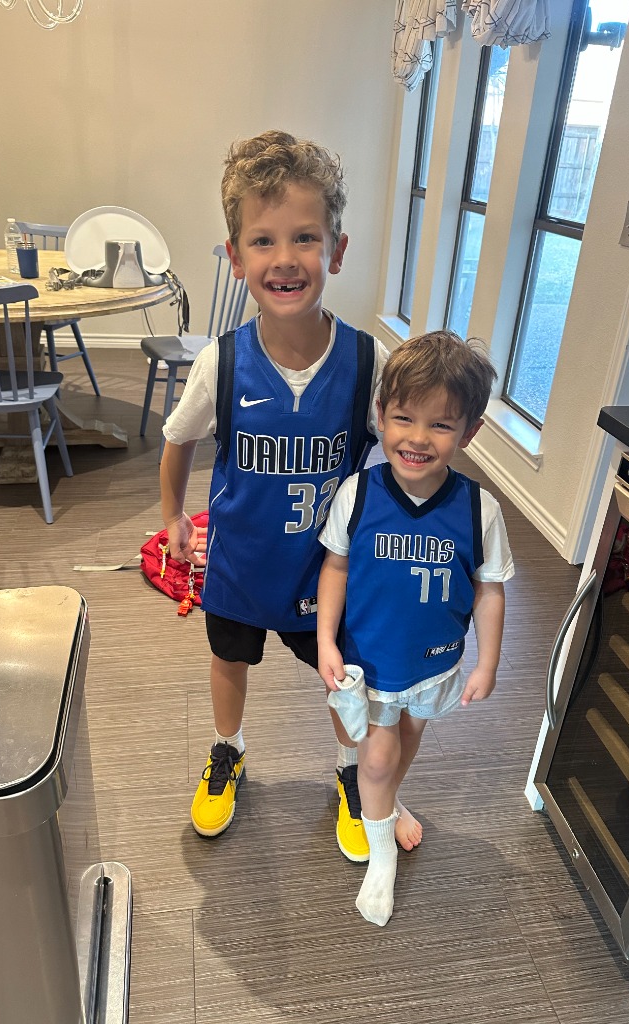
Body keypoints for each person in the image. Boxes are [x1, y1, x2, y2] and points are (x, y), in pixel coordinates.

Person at [159, 129, 390, 855]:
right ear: (236, 257)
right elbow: (178, 439)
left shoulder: (366, 360)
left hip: (324, 570)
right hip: (239, 563)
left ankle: (352, 771)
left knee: (341, 674)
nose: (285, 259)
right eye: (262, 241)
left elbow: (402, 445)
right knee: (229, 660)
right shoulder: (222, 364)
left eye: (305, 238)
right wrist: (172, 515)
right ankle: (228, 749)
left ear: (337, 251)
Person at [317, 330, 515, 926]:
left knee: (409, 738)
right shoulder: (359, 494)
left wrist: (487, 662)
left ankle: (388, 802)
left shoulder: (480, 510)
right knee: (375, 758)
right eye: (404, 418)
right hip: (372, 662)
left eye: (441, 425)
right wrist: (325, 639)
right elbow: (335, 566)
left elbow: (490, 589)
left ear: (470, 432)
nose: (418, 438)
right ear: (382, 417)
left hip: (434, 661)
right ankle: (381, 856)